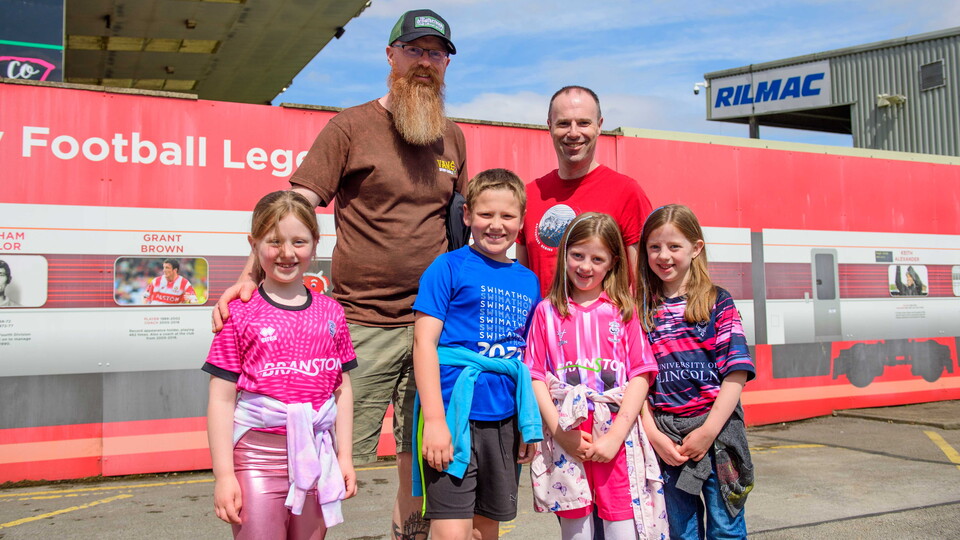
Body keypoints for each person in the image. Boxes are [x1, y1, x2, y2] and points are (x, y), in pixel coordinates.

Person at [211, 10, 467, 538]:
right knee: (329, 454)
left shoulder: (453, 139)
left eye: (435, 53)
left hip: (433, 328)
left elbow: (461, 223)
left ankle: (409, 534)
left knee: (423, 461)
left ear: (445, 65)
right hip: (362, 323)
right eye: (414, 50)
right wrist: (247, 276)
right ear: (391, 56)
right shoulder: (350, 126)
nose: (425, 62)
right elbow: (295, 204)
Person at [203, 191, 358, 539]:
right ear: (254, 244)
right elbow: (222, 399)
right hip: (256, 458)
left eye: (299, 241)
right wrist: (224, 475)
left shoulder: (332, 312)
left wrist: (344, 456)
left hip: (318, 456)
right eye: (274, 242)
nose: (287, 253)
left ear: (315, 244)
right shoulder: (238, 313)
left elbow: (342, 389)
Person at [411, 169, 542, 540]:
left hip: (504, 421)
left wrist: (525, 428)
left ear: (521, 221)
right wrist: (435, 421)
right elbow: (424, 345)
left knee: (486, 531)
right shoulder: (447, 267)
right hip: (453, 415)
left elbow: (527, 358)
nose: (496, 225)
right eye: (486, 214)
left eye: (507, 216)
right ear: (467, 215)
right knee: (451, 532)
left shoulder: (529, 281)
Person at [525, 212, 668, 540]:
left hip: (615, 436)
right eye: (577, 255)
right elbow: (534, 375)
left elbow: (641, 374)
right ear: (564, 256)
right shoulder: (546, 312)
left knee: (621, 522)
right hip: (569, 431)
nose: (585, 266)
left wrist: (616, 435)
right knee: (575, 525)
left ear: (612, 263)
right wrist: (562, 435)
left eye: (597, 258)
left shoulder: (624, 311)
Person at [636, 204, 755, 540]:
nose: (664, 256)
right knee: (681, 531)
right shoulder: (641, 310)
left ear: (695, 248)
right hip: (667, 440)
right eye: (654, 247)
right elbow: (638, 381)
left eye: (675, 246)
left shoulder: (718, 302)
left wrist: (708, 431)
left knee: (726, 529)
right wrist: (654, 435)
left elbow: (736, 375)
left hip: (719, 436)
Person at [518, 86, 653, 296]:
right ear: (549, 126)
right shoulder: (528, 195)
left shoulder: (627, 192)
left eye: (583, 123)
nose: (573, 133)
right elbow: (523, 283)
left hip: (605, 327)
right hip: (542, 326)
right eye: (563, 123)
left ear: (599, 126)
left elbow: (643, 286)